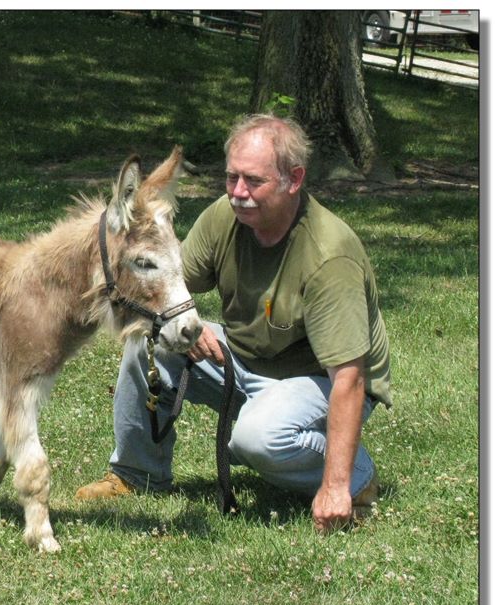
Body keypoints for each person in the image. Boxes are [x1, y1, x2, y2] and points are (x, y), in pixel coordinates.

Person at [76, 113, 391, 533]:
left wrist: (335, 487)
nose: (239, 193)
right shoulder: (227, 216)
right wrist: (186, 328)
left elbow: (349, 379)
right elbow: (171, 285)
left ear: (294, 180)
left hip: (321, 379)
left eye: (254, 181)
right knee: (149, 338)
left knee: (257, 438)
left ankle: (357, 476)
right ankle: (136, 473)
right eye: (231, 177)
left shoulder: (328, 256)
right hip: (246, 357)